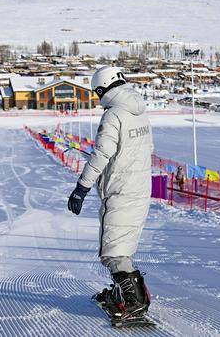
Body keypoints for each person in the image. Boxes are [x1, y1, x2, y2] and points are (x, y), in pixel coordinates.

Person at [67, 66, 154, 325]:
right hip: (139, 186)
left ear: (103, 88)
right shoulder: (139, 113)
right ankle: (125, 292)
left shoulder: (114, 115)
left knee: (113, 251)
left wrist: (81, 188)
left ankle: (134, 302)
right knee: (121, 244)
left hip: (122, 189)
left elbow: (102, 155)